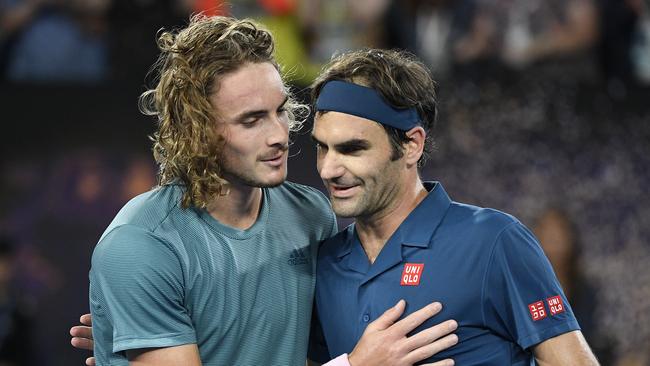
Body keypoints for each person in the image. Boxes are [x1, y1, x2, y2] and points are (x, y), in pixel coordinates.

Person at [70, 15, 458, 366]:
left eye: (281, 110)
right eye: (252, 120)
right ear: (197, 131)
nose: (279, 135)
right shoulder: (140, 246)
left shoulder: (312, 213)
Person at [306, 48, 600, 365]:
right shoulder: (324, 263)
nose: (328, 169)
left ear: (411, 145)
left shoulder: (495, 242)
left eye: (352, 148)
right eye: (322, 147)